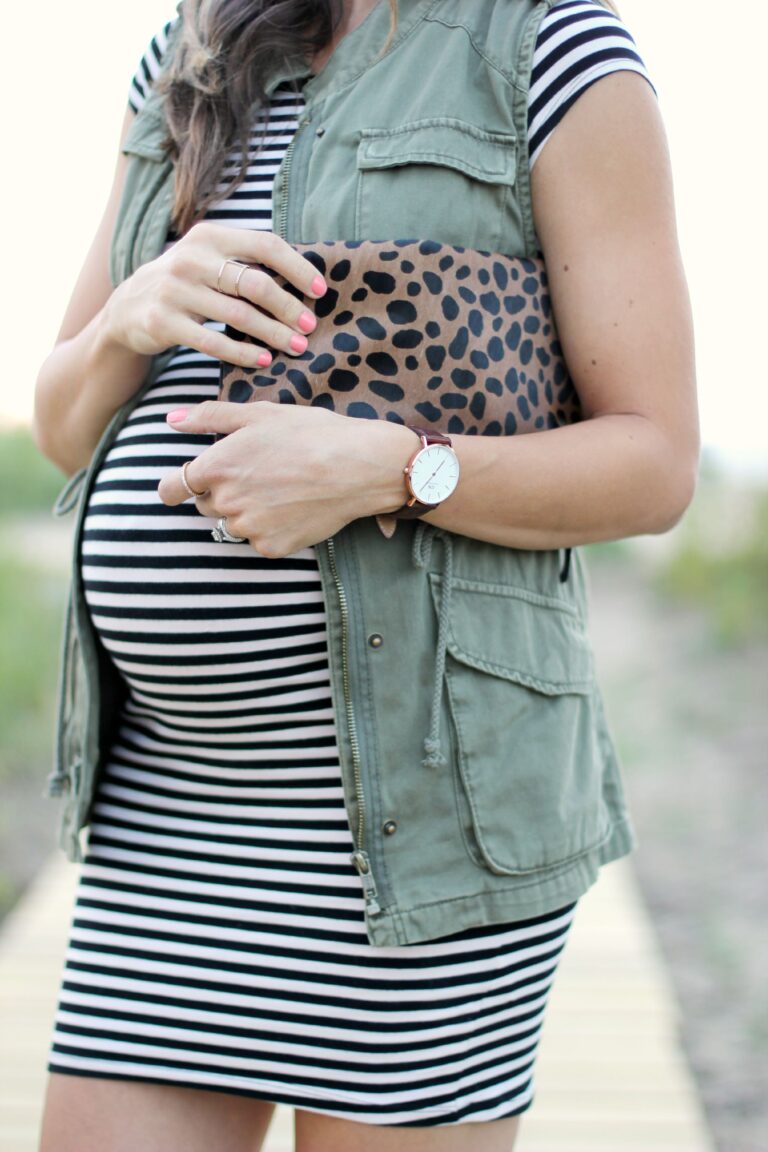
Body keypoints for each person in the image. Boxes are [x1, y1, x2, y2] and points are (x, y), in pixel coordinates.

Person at [32, 1, 698, 1149]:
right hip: (168, 813)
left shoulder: (551, 46)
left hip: (424, 825)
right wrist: (122, 325)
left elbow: (655, 461)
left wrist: (394, 472)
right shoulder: (189, 51)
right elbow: (59, 424)